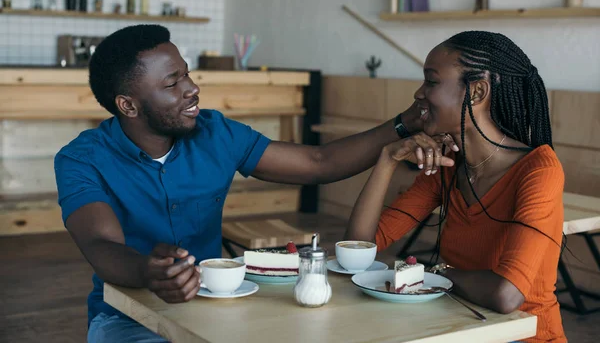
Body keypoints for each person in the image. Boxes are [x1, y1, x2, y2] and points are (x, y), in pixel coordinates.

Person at [54, 24, 457, 342]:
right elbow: (101, 246)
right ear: (128, 104)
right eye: (172, 83)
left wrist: (406, 122)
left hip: (219, 306)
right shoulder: (81, 159)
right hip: (127, 317)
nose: (192, 89)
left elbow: (319, 162)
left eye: (187, 75)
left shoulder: (215, 132)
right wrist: (149, 271)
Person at [344, 31, 566, 342]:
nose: (418, 94)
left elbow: (506, 295)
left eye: (431, 81)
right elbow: (357, 251)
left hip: (522, 336)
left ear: (476, 92)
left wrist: (435, 273)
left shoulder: (539, 170)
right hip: (457, 327)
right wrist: (387, 159)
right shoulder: (448, 167)